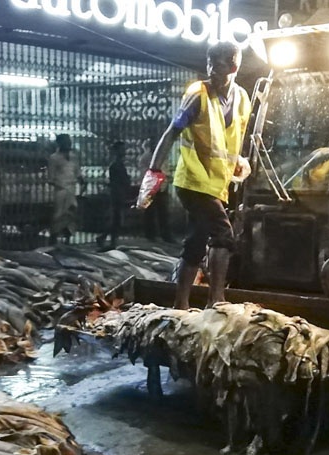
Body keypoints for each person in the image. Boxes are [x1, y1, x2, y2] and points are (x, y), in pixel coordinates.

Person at [140, 42, 252, 309]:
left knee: (197, 240)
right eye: (209, 63)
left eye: (219, 64)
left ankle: (181, 303)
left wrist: (238, 160)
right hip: (192, 181)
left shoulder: (243, 100)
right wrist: (153, 173)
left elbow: (231, 141)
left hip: (216, 185)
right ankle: (217, 301)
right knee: (223, 234)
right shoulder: (197, 94)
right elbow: (171, 133)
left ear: (234, 67)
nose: (212, 69)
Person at [47, 133, 82, 244]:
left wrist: (81, 181)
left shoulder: (74, 157)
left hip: (71, 190)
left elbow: (77, 173)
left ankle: (67, 240)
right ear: (60, 143)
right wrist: (60, 185)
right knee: (58, 215)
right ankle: (53, 238)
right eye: (66, 141)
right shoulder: (54, 158)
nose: (68, 143)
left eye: (69, 141)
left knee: (71, 214)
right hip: (61, 190)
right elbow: (51, 178)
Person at [137, 136, 173, 242]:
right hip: (150, 188)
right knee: (149, 212)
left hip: (161, 187)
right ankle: (150, 234)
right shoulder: (145, 157)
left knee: (163, 212)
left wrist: (166, 177)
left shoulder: (163, 156)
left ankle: (165, 235)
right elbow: (144, 173)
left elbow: (166, 169)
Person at [98, 140, 131, 250]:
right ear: (117, 151)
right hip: (117, 194)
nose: (124, 151)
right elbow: (119, 181)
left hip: (119, 193)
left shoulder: (118, 164)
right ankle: (107, 239)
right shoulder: (115, 165)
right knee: (116, 219)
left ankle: (107, 239)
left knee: (117, 219)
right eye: (122, 149)